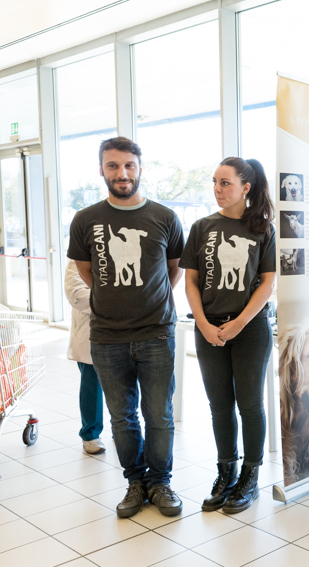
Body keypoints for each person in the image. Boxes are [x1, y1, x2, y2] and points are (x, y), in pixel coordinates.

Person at [67, 137, 185, 519]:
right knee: (122, 418)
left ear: (139, 168)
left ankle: (160, 482)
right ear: (101, 169)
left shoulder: (165, 217)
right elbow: (87, 273)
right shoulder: (85, 220)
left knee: (159, 414)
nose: (122, 173)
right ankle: (135, 482)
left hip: (156, 334)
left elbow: (173, 271)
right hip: (106, 337)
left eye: (129, 165)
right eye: (113, 166)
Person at [180, 157, 275, 514]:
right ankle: (226, 474)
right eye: (215, 183)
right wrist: (203, 324)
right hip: (208, 327)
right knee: (220, 406)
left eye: (226, 183)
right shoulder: (202, 226)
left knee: (249, 405)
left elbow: (267, 283)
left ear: (245, 188)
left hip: (250, 329)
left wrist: (239, 323)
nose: (218, 190)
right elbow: (190, 280)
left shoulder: (263, 228)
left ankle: (250, 477)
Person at [64, 261, 105, 455]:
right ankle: (90, 435)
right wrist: (113, 304)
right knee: (92, 385)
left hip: (123, 329)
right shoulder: (80, 256)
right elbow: (75, 293)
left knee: (127, 384)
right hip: (92, 329)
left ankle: (125, 430)